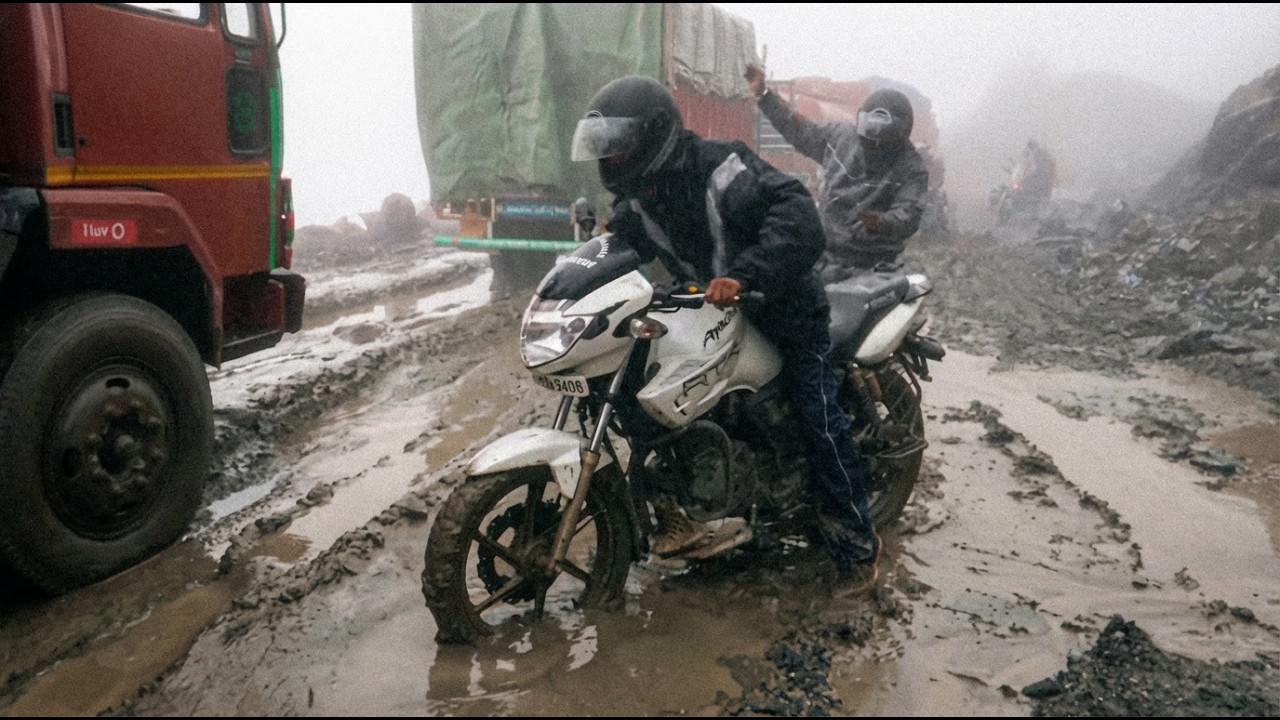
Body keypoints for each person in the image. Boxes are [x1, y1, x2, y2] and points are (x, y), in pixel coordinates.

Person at [569, 74, 882, 593]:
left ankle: (856, 546)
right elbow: (620, 249)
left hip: (782, 308)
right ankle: (690, 509)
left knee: (817, 413)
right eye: (605, 150)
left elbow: (798, 215)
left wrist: (745, 275)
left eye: (618, 148)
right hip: (713, 311)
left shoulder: (721, 168)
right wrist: (580, 273)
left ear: (654, 136)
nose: (610, 160)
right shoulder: (639, 198)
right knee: (643, 393)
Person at [745, 63, 929, 281]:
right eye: (870, 136)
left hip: (873, 264)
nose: (875, 144)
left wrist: (883, 222)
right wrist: (765, 95)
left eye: (883, 140)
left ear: (901, 132)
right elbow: (799, 128)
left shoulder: (911, 167)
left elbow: (909, 212)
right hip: (824, 254)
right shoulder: (840, 138)